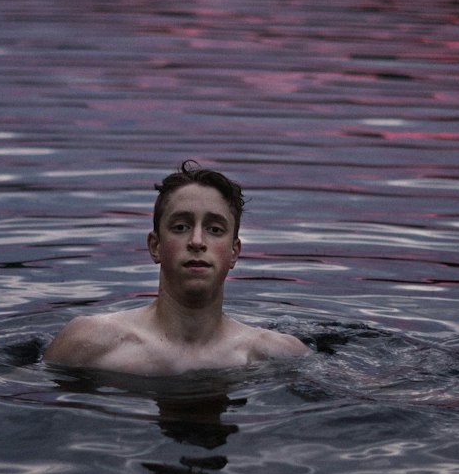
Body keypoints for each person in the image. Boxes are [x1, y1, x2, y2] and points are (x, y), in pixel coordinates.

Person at [44, 160, 308, 375]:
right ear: (155, 246)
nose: (196, 241)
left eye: (215, 229)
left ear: (234, 252)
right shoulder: (88, 344)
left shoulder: (277, 354)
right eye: (181, 227)